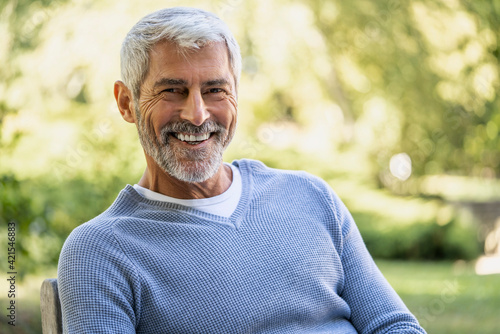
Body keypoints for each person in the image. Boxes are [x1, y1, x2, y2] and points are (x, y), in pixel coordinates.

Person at [58, 7, 426, 333]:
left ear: (236, 93)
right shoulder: (102, 252)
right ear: (127, 103)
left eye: (215, 89)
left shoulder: (311, 197)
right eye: (173, 90)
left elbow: (392, 324)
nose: (197, 115)